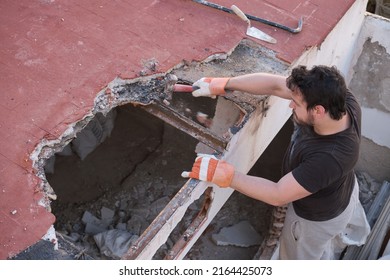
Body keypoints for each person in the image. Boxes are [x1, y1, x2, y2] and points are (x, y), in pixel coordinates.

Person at [181, 65, 371, 260]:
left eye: (296, 103)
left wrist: (229, 176)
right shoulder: (339, 99)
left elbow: (278, 194)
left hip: (315, 220)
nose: (290, 105)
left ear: (318, 111)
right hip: (339, 190)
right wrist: (224, 83)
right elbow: (275, 85)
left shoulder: (330, 158)